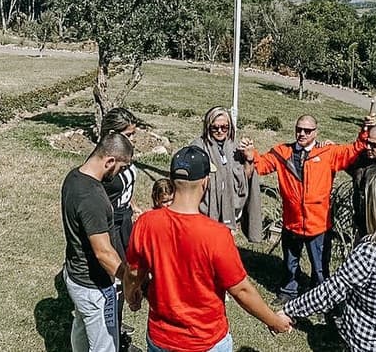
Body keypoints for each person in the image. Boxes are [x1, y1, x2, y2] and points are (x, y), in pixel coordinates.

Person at [124, 146, 293, 352]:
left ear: (172, 178)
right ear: (205, 181)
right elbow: (241, 290)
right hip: (205, 341)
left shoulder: (146, 223)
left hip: (161, 338)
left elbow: (133, 273)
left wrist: (131, 294)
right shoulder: (216, 234)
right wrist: (273, 320)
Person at [281, 172, 376, 352]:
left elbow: (329, 292)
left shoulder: (370, 252)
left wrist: (289, 310)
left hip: (369, 345)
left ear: (375, 207)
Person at [239, 113, 373, 305]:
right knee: (290, 262)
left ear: (315, 132)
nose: (302, 133)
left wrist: (366, 129)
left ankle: (320, 297)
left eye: (307, 131)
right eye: (299, 129)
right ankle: (288, 291)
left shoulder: (328, 153)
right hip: (291, 222)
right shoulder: (281, 153)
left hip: (318, 225)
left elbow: (355, 150)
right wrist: (250, 155)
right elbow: (261, 165)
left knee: (320, 267)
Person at [61, 132, 136, 352]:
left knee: (82, 327)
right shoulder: (91, 197)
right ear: (110, 161)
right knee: (105, 346)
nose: (121, 173)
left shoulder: (74, 177)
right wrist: (129, 281)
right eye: (121, 168)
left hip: (74, 275)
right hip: (94, 286)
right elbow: (103, 253)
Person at [99, 108, 141, 351]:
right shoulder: (105, 165)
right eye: (129, 135)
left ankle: (118, 320)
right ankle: (112, 336)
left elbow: (126, 185)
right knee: (115, 280)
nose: (133, 140)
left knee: (127, 276)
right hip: (111, 225)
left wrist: (133, 205)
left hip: (125, 222)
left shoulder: (125, 159)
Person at [190, 106, 262, 242]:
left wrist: (249, 159)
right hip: (204, 211)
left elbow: (244, 180)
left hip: (229, 209)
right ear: (207, 127)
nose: (220, 131)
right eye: (215, 127)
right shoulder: (197, 147)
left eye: (224, 127)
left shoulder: (235, 148)